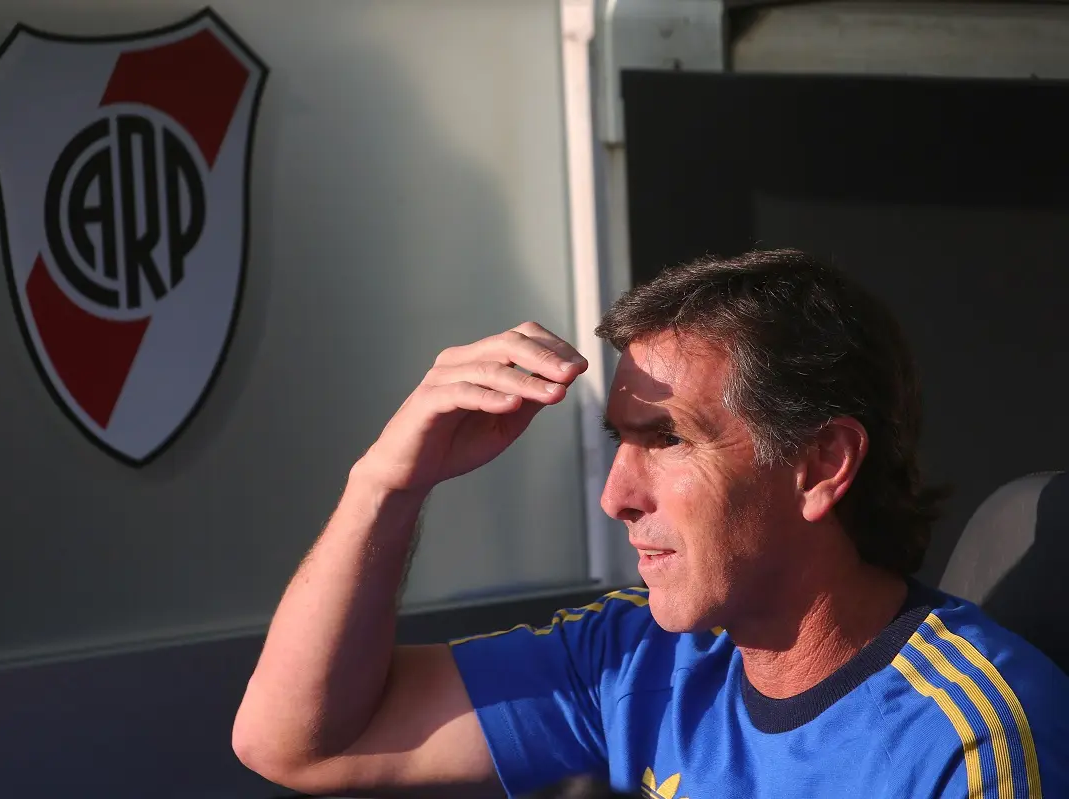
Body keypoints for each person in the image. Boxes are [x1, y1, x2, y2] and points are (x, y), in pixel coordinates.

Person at [232, 249, 1069, 798]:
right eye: (621, 443)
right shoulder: (641, 655)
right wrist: (386, 483)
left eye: (667, 440)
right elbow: (296, 743)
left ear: (819, 466)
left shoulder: (971, 735)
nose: (618, 495)